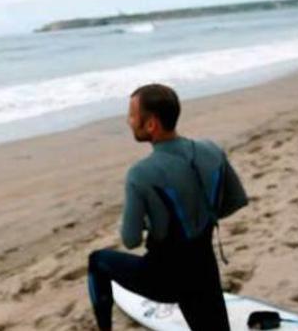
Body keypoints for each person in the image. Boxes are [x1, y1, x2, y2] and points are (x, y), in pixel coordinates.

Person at [87, 84, 248, 331]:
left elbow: (130, 240)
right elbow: (234, 202)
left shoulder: (140, 174)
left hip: (164, 280)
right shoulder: (212, 151)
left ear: (151, 124)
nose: (128, 121)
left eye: (132, 115)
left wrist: (151, 220)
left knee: (97, 261)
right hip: (205, 273)